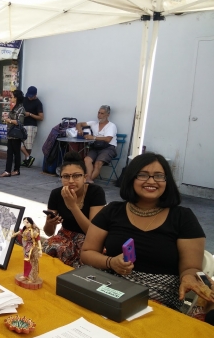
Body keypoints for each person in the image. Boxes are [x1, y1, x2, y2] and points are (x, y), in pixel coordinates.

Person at [80, 153, 214, 311]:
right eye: (143, 175)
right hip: (110, 289)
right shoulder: (112, 211)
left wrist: (189, 277)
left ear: (167, 181)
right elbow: (87, 252)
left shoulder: (183, 217)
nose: (151, 181)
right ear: (131, 179)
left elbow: (190, 267)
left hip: (159, 299)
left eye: (159, 176)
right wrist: (111, 262)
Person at [42, 151, 106, 267]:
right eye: (66, 176)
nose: (71, 181)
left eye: (76, 176)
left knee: (87, 259)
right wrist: (49, 222)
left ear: (85, 177)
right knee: (49, 247)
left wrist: (73, 206)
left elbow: (93, 232)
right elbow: (49, 232)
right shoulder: (56, 194)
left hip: (89, 240)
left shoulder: (95, 192)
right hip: (65, 236)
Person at [76, 105, 117, 183]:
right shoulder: (94, 123)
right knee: (87, 159)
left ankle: (88, 180)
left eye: (102, 113)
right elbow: (79, 124)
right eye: (98, 113)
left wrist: (93, 137)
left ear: (108, 115)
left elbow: (108, 139)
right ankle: (88, 180)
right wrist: (79, 129)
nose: (99, 115)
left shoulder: (111, 126)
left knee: (98, 163)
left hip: (108, 148)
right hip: (96, 147)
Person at [1, 89, 25, 177]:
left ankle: (16, 170)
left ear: (16, 98)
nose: (11, 98)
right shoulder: (15, 107)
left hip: (16, 134)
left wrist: (9, 120)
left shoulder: (21, 108)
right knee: (10, 153)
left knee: (16, 153)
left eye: (12, 97)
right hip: (11, 133)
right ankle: (7, 171)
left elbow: (20, 122)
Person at [12, 217, 41, 282]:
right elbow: (20, 232)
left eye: (27, 222)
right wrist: (14, 234)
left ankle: (32, 277)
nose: (26, 224)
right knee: (26, 261)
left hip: (33, 248)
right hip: (26, 247)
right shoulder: (25, 229)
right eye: (24, 222)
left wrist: (40, 249)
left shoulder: (34, 231)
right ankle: (26, 275)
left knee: (33, 262)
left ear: (31, 222)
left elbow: (38, 239)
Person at [21, 86, 44, 168]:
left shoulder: (38, 103)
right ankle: (28, 157)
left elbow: (41, 117)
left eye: (31, 96)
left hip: (31, 125)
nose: (29, 97)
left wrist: (30, 114)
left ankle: (27, 161)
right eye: (28, 95)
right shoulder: (24, 99)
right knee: (17, 141)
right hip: (21, 123)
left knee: (28, 145)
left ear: (35, 95)